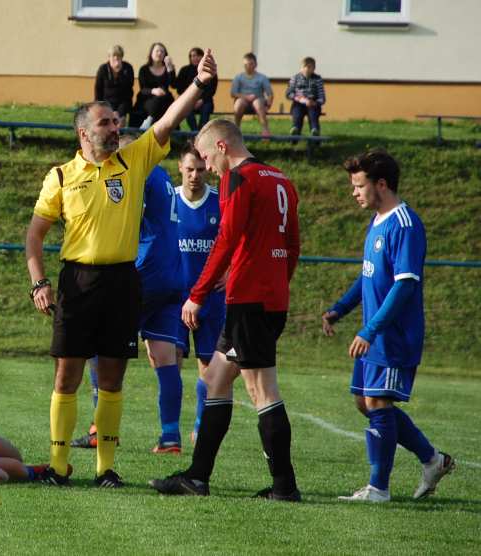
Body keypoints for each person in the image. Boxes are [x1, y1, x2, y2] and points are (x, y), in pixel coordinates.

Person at [25, 49, 217, 488]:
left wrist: (199, 86)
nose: (115, 128)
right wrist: (39, 282)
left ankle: (105, 468)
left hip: (122, 281)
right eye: (105, 123)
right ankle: (57, 468)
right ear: (83, 133)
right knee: (66, 373)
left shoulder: (132, 163)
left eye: (115, 122)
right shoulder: (60, 176)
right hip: (76, 281)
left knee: (112, 376)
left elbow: (166, 122)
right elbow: (34, 236)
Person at [149, 118, 301, 501]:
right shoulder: (280, 178)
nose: (206, 167)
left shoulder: (238, 179)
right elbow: (293, 244)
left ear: (220, 147)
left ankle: (285, 487)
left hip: (251, 299)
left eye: (204, 156)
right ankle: (197, 477)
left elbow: (227, 238)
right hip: (265, 297)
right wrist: (279, 282)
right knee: (216, 378)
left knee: (262, 390)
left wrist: (197, 294)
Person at [323, 150, 455, 503]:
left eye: (359, 185)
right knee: (363, 402)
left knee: (377, 402)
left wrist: (371, 330)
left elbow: (404, 284)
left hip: (393, 335)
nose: (354, 192)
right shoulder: (378, 220)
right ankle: (432, 459)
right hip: (375, 333)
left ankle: (378, 489)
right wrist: (340, 309)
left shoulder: (405, 225)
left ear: (381, 184)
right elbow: (368, 276)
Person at [71, 134, 186, 454]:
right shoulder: (163, 176)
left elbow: (124, 220)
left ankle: (100, 429)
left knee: (98, 343)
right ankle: (170, 436)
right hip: (171, 275)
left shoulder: (138, 172)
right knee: (164, 357)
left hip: (142, 273)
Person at [174, 142, 230, 444]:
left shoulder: (219, 200)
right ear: (180, 168)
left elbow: (236, 237)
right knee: (170, 362)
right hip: (175, 297)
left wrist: (230, 270)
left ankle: (199, 424)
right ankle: (170, 432)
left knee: (208, 367)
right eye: (189, 169)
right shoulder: (169, 200)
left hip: (211, 299)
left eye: (199, 169)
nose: (194, 175)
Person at [132, 42, 176, 129]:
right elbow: (143, 89)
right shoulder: (144, 69)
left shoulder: (168, 68)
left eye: (162, 51)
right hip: (147, 98)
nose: (159, 53)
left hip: (164, 99)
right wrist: (154, 91)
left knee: (162, 101)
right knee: (156, 101)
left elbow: (173, 85)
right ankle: (150, 123)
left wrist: (170, 69)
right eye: (157, 51)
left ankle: (149, 121)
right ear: (151, 53)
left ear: (165, 55)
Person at [174, 47, 218, 132]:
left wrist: (202, 100)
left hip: (205, 101)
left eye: (197, 55)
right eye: (192, 56)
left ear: (202, 57)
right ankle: (195, 133)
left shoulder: (209, 69)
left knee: (206, 109)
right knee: (187, 109)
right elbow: (179, 88)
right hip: (189, 101)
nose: (194, 58)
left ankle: (200, 132)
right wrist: (192, 100)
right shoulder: (184, 70)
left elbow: (212, 90)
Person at [230, 53, 273, 136]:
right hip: (243, 101)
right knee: (239, 103)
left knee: (257, 103)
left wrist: (268, 105)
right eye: (245, 64)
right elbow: (233, 93)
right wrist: (246, 97)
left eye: (250, 64)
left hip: (258, 101)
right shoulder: (238, 77)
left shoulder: (262, 77)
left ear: (255, 64)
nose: (248, 66)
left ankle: (265, 130)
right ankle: (236, 129)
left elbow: (270, 93)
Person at [94, 44, 135, 123]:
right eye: (113, 56)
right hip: (106, 102)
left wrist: (120, 73)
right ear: (109, 57)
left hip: (123, 103)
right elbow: (98, 90)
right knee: (107, 121)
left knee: (119, 121)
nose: (116, 58)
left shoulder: (128, 68)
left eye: (118, 56)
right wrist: (101, 108)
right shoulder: (103, 69)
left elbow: (128, 92)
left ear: (122, 57)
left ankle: (121, 133)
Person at [286, 57, 325, 137]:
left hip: (313, 103)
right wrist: (300, 99)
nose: (307, 69)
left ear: (314, 68)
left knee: (313, 115)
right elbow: (288, 93)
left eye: (310, 67)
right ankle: (295, 131)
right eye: (305, 67)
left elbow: (322, 97)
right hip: (299, 102)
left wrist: (315, 102)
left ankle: (315, 131)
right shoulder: (295, 78)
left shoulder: (318, 79)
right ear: (301, 68)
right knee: (297, 114)